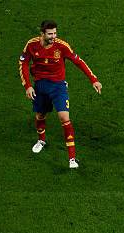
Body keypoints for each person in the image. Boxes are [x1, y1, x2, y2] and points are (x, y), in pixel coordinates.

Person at [19, 20, 102, 169]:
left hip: (58, 86)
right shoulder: (31, 45)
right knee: (40, 116)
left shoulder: (62, 46)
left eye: (55, 33)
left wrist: (93, 80)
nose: (53, 36)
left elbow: (79, 62)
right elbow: (23, 64)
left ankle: (72, 158)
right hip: (40, 86)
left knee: (64, 117)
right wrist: (28, 86)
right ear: (42, 33)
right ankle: (41, 140)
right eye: (50, 34)